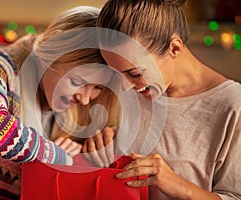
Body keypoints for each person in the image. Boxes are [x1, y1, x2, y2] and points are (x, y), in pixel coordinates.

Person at [0, 6, 119, 200]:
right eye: (77, 82)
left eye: (98, 87)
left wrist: (105, 139)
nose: (85, 98)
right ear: (49, 55)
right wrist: (57, 158)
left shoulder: (77, 110)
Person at [96, 0, 241, 199]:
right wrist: (103, 149)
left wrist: (175, 184)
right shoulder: (133, 89)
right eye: (116, 73)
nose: (124, 86)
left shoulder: (233, 106)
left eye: (135, 73)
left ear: (174, 48)